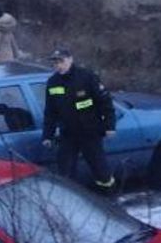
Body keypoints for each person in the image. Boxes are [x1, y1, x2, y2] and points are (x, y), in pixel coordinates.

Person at [42, 48, 117, 192]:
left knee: (101, 170)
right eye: (55, 63)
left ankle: (109, 198)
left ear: (70, 59)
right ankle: (73, 205)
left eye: (61, 61)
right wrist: (47, 135)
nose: (58, 65)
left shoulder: (87, 77)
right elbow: (50, 112)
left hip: (90, 132)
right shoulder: (53, 82)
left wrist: (110, 126)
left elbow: (105, 103)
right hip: (68, 134)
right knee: (66, 173)